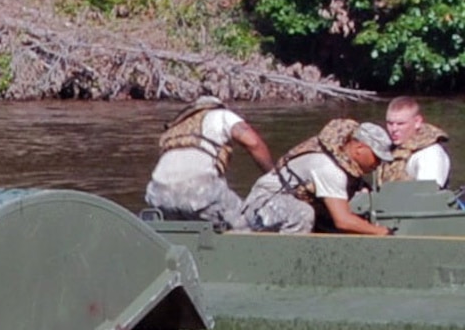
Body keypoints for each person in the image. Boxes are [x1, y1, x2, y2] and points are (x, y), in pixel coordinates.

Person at [240, 119, 394, 236]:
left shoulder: (345, 161)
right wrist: (382, 232)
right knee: (303, 213)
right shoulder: (328, 168)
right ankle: (289, 268)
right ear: (359, 148)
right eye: (377, 157)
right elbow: (343, 220)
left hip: (290, 207)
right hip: (261, 206)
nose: (379, 163)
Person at [144, 95, 277, 229]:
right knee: (249, 223)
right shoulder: (221, 115)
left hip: (158, 195)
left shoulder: (174, 128)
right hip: (199, 192)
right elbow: (254, 143)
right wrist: (274, 176)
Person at [379, 97, 451, 187]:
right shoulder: (391, 150)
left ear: (417, 122)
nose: (394, 129)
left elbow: (427, 195)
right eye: (390, 123)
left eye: (400, 124)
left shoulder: (430, 154)